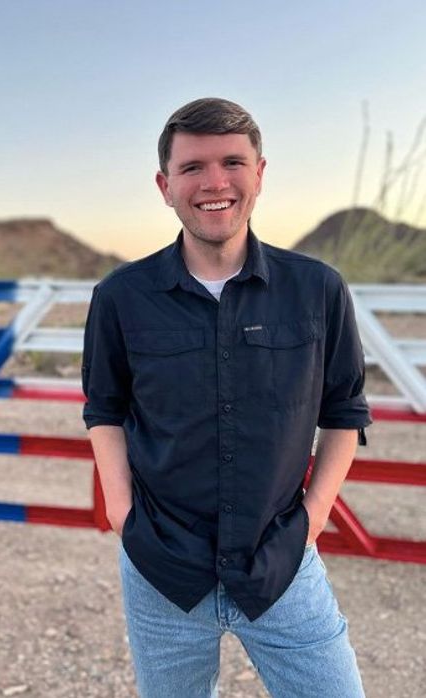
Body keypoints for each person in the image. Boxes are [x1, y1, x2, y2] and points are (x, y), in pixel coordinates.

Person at [82, 97, 370, 698]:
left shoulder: (317, 289)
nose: (215, 183)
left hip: (281, 561)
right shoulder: (120, 296)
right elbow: (105, 408)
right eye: (192, 167)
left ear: (259, 174)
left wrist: (313, 519)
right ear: (165, 186)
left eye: (232, 163)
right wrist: (122, 513)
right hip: (162, 565)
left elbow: (343, 412)